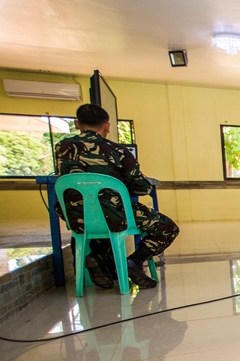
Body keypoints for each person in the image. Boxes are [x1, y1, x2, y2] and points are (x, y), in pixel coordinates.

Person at [54, 103, 179, 289]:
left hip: (76, 217)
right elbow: (142, 188)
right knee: (167, 227)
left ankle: (97, 256)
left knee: (101, 222)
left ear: (77, 124)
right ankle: (134, 262)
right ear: (107, 126)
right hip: (114, 215)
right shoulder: (118, 151)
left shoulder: (61, 148)